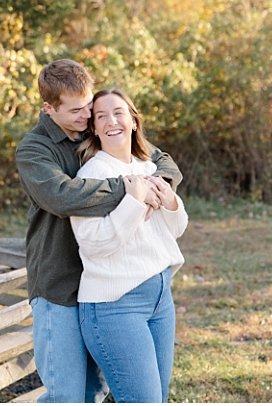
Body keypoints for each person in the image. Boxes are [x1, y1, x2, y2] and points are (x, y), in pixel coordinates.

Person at [15, 59, 182, 403]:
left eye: (90, 106)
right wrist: (130, 187)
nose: (88, 115)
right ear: (49, 108)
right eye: (78, 110)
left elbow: (160, 159)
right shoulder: (34, 149)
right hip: (60, 282)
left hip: (108, 279)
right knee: (67, 394)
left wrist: (158, 186)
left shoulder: (97, 129)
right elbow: (63, 197)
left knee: (95, 391)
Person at [72, 88, 188, 403]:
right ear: (93, 128)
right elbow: (94, 244)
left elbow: (173, 231)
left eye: (119, 112)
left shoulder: (149, 167)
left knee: (157, 398)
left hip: (161, 298)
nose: (112, 121)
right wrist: (134, 202)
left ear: (134, 121)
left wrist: (171, 203)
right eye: (101, 116)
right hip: (115, 305)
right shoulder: (92, 175)